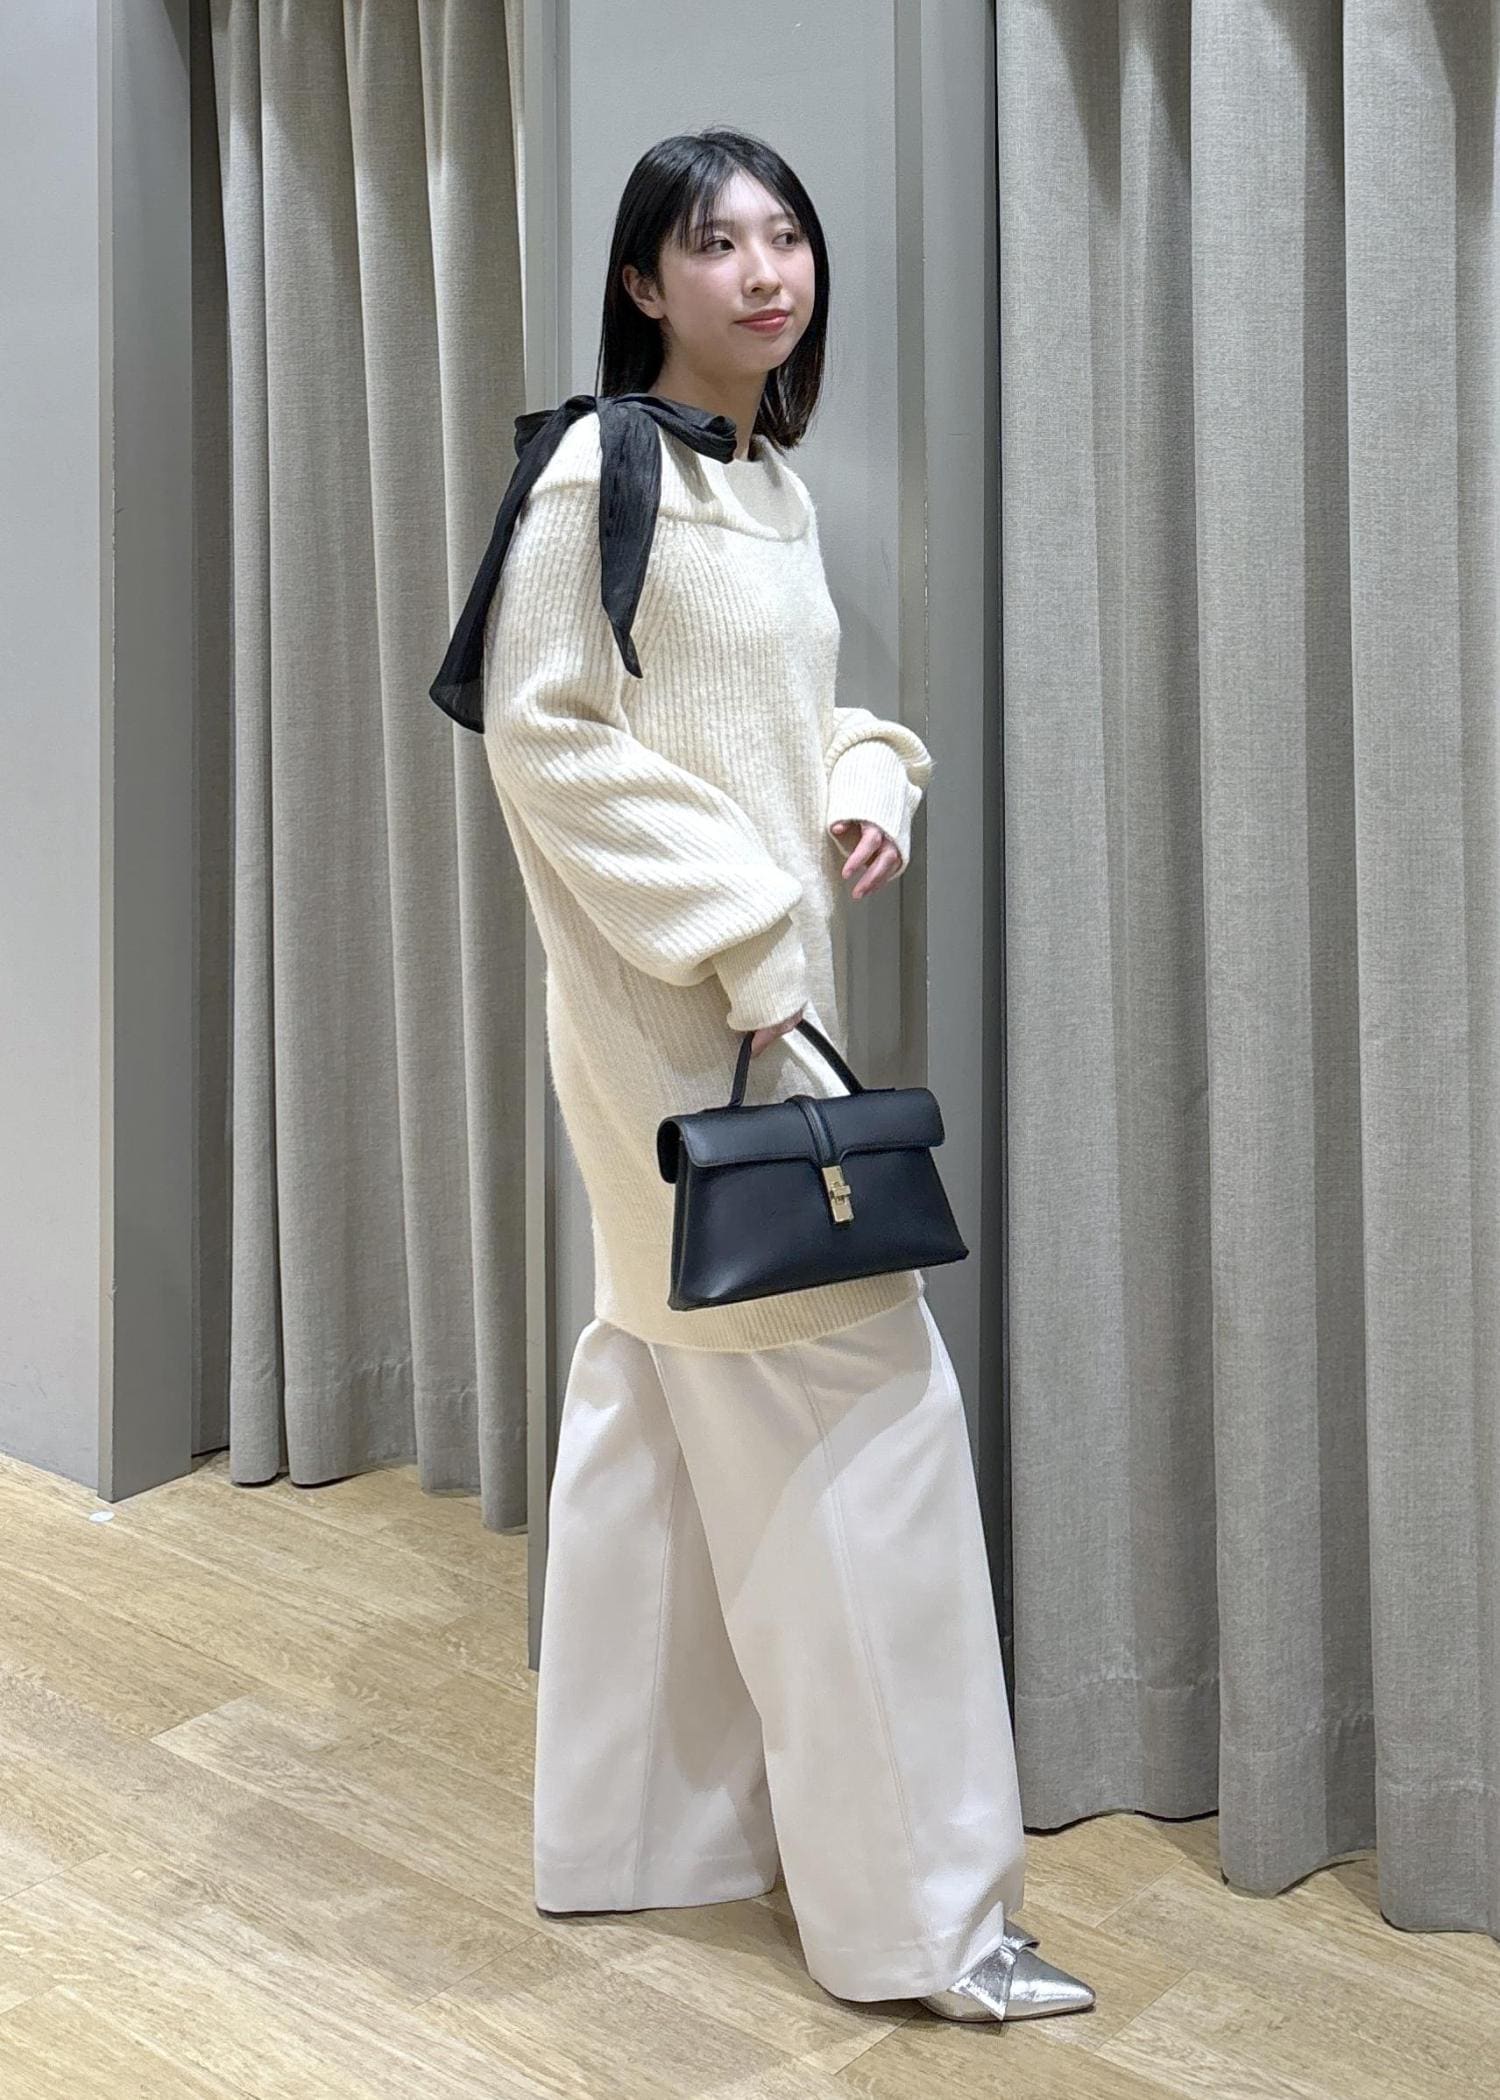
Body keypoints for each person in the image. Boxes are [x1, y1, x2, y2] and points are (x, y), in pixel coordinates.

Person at [432, 124, 1096, 2027]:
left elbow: (789, 716)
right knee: (869, 1450)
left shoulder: (767, 485)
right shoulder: (599, 469)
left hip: (732, 1023)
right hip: (688, 1035)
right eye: (714, 243)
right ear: (643, 281)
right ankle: (928, 1930)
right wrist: (745, 928)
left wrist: (869, 773)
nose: (762, 271)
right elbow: (545, 739)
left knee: (663, 1404)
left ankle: (648, 1835)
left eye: (784, 235)